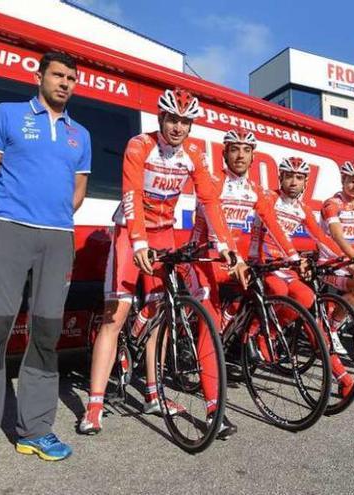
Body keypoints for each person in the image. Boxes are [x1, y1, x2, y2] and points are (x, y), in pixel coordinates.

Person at [0, 51, 89, 478]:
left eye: (70, 78)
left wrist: (54, 220)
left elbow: (77, 190)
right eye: (58, 75)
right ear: (40, 75)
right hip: (8, 231)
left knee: (47, 336)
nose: (64, 83)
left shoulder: (79, 134)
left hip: (57, 239)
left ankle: (35, 431)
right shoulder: (9, 115)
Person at [78, 88, 247, 435]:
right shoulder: (140, 145)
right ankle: (94, 405)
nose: (178, 127)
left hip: (165, 232)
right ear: (161, 118)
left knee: (160, 313)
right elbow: (131, 194)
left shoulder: (195, 155)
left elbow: (210, 201)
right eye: (173, 119)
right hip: (130, 230)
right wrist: (138, 240)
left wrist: (227, 246)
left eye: (185, 121)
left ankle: (154, 394)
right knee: (117, 314)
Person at [186, 129, 300, 433]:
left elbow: (272, 222)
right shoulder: (213, 183)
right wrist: (231, 254)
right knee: (209, 323)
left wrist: (293, 256)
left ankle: (240, 340)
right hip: (205, 260)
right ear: (224, 153)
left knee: (262, 291)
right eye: (234, 149)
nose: (239, 155)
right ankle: (213, 410)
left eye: (245, 150)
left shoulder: (255, 190)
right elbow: (215, 223)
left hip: (235, 264)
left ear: (253, 155)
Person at [249, 157, 354, 401]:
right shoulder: (269, 197)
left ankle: (345, 382)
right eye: (288, 176)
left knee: (308, 301)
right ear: (281, 178)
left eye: (299, 178)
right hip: (263, 264)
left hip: (286, 266)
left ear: (305, 182)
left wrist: (353, 264)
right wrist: (291, 255)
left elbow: (323, 238)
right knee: (278, 288)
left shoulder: (302, 209)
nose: (293, 182)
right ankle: (257, 334)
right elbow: (273, 227)